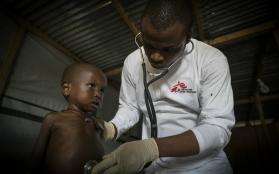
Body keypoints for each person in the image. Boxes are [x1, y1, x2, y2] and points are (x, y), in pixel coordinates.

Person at [92, 0, 235, 173]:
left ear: (187, 38)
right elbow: (130, 107)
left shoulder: (211, 60)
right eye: (149, 45)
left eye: (168, 49)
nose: (156, 56)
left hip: (204, 167)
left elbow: (217, 128)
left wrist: (151, 148)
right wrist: (112, 128)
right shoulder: (132, 62)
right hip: (155, 169)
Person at [30, 63, 107, 174]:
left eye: (102, 90)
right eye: (91, 86)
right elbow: (36, 160)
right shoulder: (54, 119)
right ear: (67, 89)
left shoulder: (97, 126)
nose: (98, 94)